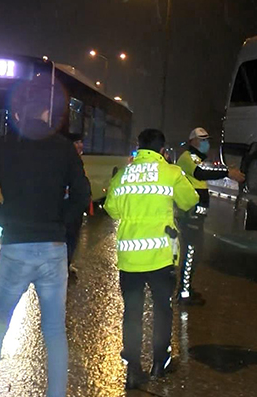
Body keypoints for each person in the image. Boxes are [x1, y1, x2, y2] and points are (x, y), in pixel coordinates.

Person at [0, 91, 91, 397]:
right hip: (53, 249)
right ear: (46, 116)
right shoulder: (64, 148)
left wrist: (7, 220)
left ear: (18, 116)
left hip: (15, 247)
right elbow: (81, 194)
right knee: (54, 332)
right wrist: (58, 222)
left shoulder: (3, 145)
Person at [104, 129, 199, 389]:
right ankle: (160, 363)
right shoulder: (170, 173)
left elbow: (111, 208)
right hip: (161, 258)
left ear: (139, 147)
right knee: (162, 310)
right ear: (163, 150)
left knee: (132, 312)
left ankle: (133, 368)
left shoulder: (124, 175)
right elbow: (191, 199)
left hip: (130, 259)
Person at [175, 127, 245, 305]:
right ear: (192, 142)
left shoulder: (196, 159)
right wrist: (227, 173)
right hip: (189, 216)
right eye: (202, 140)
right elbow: (201, 174)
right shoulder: (187, 157)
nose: (206, 143)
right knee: (191, 252)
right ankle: (183, 294)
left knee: (195, 253)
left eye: (207, 139)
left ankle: (187, 288)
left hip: (195, 216)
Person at [64, 132, 89, 282]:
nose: (80, 145)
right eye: (76, 142)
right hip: (69, 208)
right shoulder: (68, 161)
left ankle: (66, 265)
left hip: (73, 208)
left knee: (72, 239)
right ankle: (64, 267)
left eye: (81, 142)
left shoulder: (77, 160)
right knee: (68, 239)